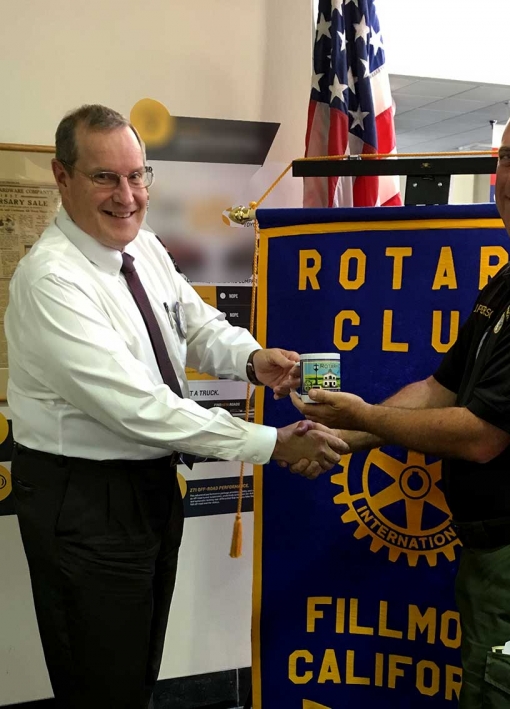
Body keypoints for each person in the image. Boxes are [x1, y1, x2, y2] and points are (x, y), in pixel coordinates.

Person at [291, 91, 510, 706]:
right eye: (507, 158)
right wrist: (345, 436)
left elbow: (481, 436)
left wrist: (363, 417)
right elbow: (439, 389)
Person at [5, 104, 348, 709]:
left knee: (136, 671)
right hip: (84, 500)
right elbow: (139, 408)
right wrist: (270, 444)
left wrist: (252, 358)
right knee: (100, 682)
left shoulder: (145, 248)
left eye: (138, 175)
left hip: (147, 487)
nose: (127, 195)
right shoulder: (52, 281)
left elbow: (194, 326)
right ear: (63, 178)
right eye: (104, 177)